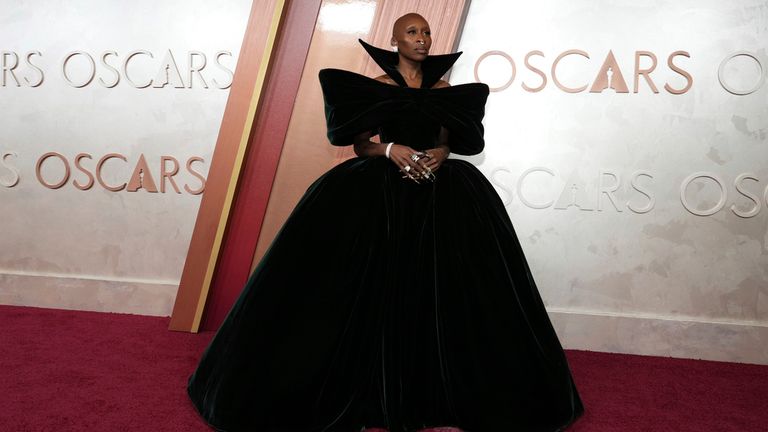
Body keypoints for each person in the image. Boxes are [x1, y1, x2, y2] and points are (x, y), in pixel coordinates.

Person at [187, 13, 584, 432]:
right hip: (379, 193)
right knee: (355, 282)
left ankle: (445, 388)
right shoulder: (374, 89)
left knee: (452, 284)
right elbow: (360, 145)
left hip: (441, 194)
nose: (423, 39)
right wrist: (390, 149)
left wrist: (440, 155)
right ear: (394, 41)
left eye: (426, 32)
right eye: (412, 32)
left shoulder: (446, 91)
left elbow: (447, 142)